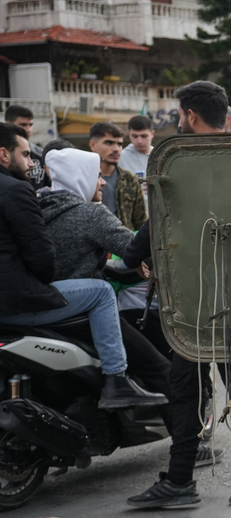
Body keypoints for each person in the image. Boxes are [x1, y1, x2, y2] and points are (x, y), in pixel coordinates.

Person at [126, 81, 231, 509]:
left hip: (195, 298)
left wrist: (134, 255)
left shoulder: (183, 164)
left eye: (179, 115)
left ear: (190, 116)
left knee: (204, 387)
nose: (178, 122)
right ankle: (188, 479)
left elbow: (146, 235)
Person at [0, 122, 165, 409]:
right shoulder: (86, 213)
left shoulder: (42, 202)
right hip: (33, 301)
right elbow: (132, 247)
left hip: (25, 303)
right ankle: (118, 381)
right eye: (96, 176)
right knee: (156, 364)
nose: (102, 182)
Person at [89, 121, 145, 230]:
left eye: (119, 144)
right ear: (93, 145)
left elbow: (141, 222)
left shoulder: (130, 179)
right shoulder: (83, 179)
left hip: (125, 243)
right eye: (109, 143)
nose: (116, 149)